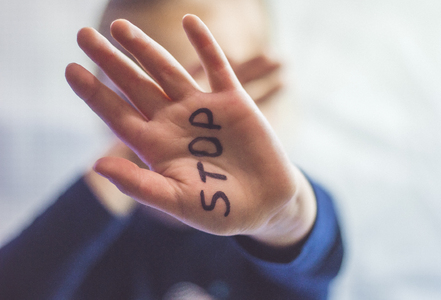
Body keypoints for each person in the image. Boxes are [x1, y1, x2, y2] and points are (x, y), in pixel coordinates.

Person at [0, 0, 343, 299]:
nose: (190, 122)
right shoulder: (89, 233)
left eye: (218, 87)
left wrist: (283, 215)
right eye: (139, 99)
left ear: (266, 94)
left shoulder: (279, 217)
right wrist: (130, 152)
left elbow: (311, 255)